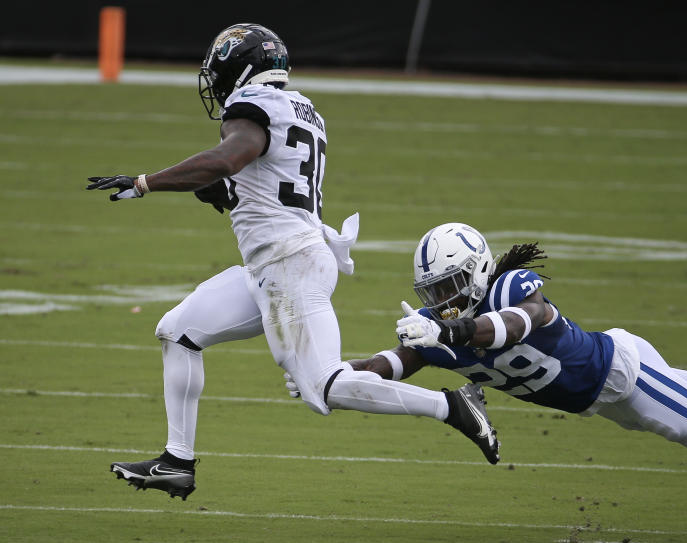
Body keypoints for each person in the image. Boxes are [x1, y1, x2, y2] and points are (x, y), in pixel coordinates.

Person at [85, 25, 499, 501]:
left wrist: (145, 183)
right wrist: (222, 191)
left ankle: (451, 406)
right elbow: (262, 177)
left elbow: (228, 158)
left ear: (241, 69)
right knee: (178, 331)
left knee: (323, 388)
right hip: (278, 263)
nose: (215, 83)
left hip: (289, 265)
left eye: (219, 72)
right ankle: (177, 462)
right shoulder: (303, 109)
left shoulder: (254, 108)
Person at [318, 222, 687, 543]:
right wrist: (343, 375)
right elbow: (395, 363)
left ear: (475, 273)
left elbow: (520, 324)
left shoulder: (510, 289)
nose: (439, 302)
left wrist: (451, 328)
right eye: (433, 294)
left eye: (449, 287)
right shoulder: (446, 331)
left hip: (625, 378)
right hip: (603, 397)